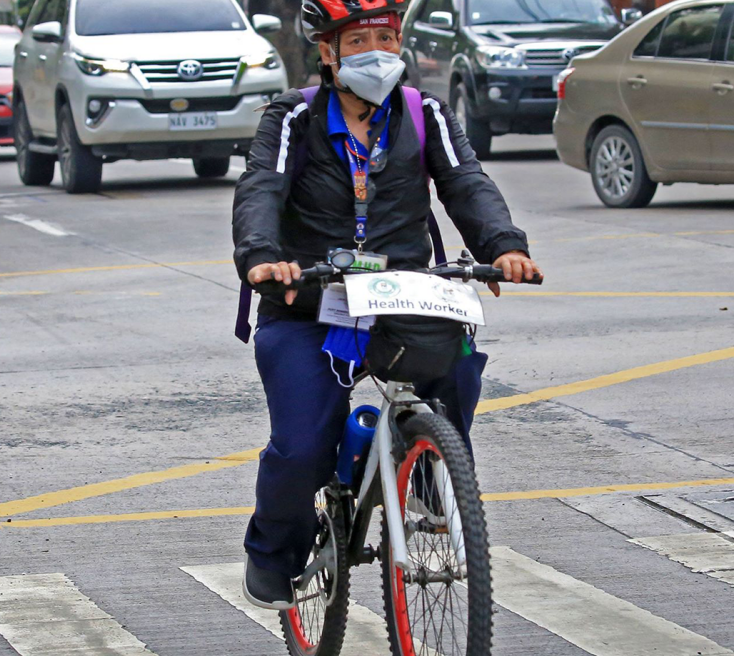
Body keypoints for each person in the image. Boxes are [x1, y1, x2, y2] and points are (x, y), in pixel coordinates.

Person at [231, 0, 541, 610]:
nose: (376, 50)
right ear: (327, 52)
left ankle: (429, 469)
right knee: (300, 447)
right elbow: (261, 185)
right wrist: (263, 257)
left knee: (455, 363)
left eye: (386, 37)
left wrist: (503, 247)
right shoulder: (293, 116)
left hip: (404, 292)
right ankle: (274, 550)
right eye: (358, 40)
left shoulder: (426, 115)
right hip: (308, 299)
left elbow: (467, 183)